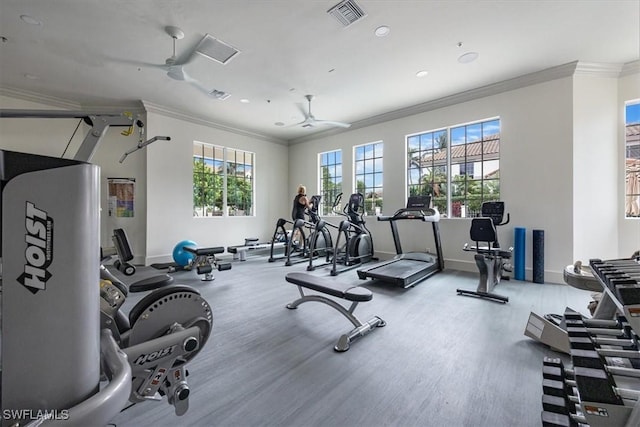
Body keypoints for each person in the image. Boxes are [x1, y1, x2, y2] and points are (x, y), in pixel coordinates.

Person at [291, 185, 312, 249]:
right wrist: (312, 203)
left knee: (298, 229)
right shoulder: (304, 198)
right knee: (301, 231)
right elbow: (309, 208)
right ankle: (300, 245)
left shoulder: (296, 197)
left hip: (294, 215)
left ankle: (292, 241)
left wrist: (307, 203)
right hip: (300, 216)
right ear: (304, 191)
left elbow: (301, 206)